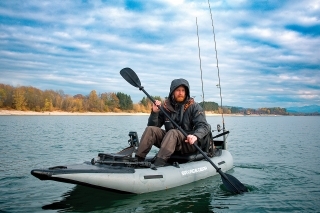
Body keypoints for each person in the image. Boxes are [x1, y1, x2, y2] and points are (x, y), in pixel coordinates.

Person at [135, 78, 211, 166]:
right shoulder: (165, 107)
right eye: (178, 90)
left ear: (186, 92)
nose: (181, 93)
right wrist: (154, 113)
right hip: (170, 142)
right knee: (150, 129)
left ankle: (159, 163)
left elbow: (204, 126)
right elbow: (154, 126)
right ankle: (138, 159)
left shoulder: (194, 107)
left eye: (183, 90)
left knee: (173, 132)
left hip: (188, 143)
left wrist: (196, 136)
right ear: (172, 92)